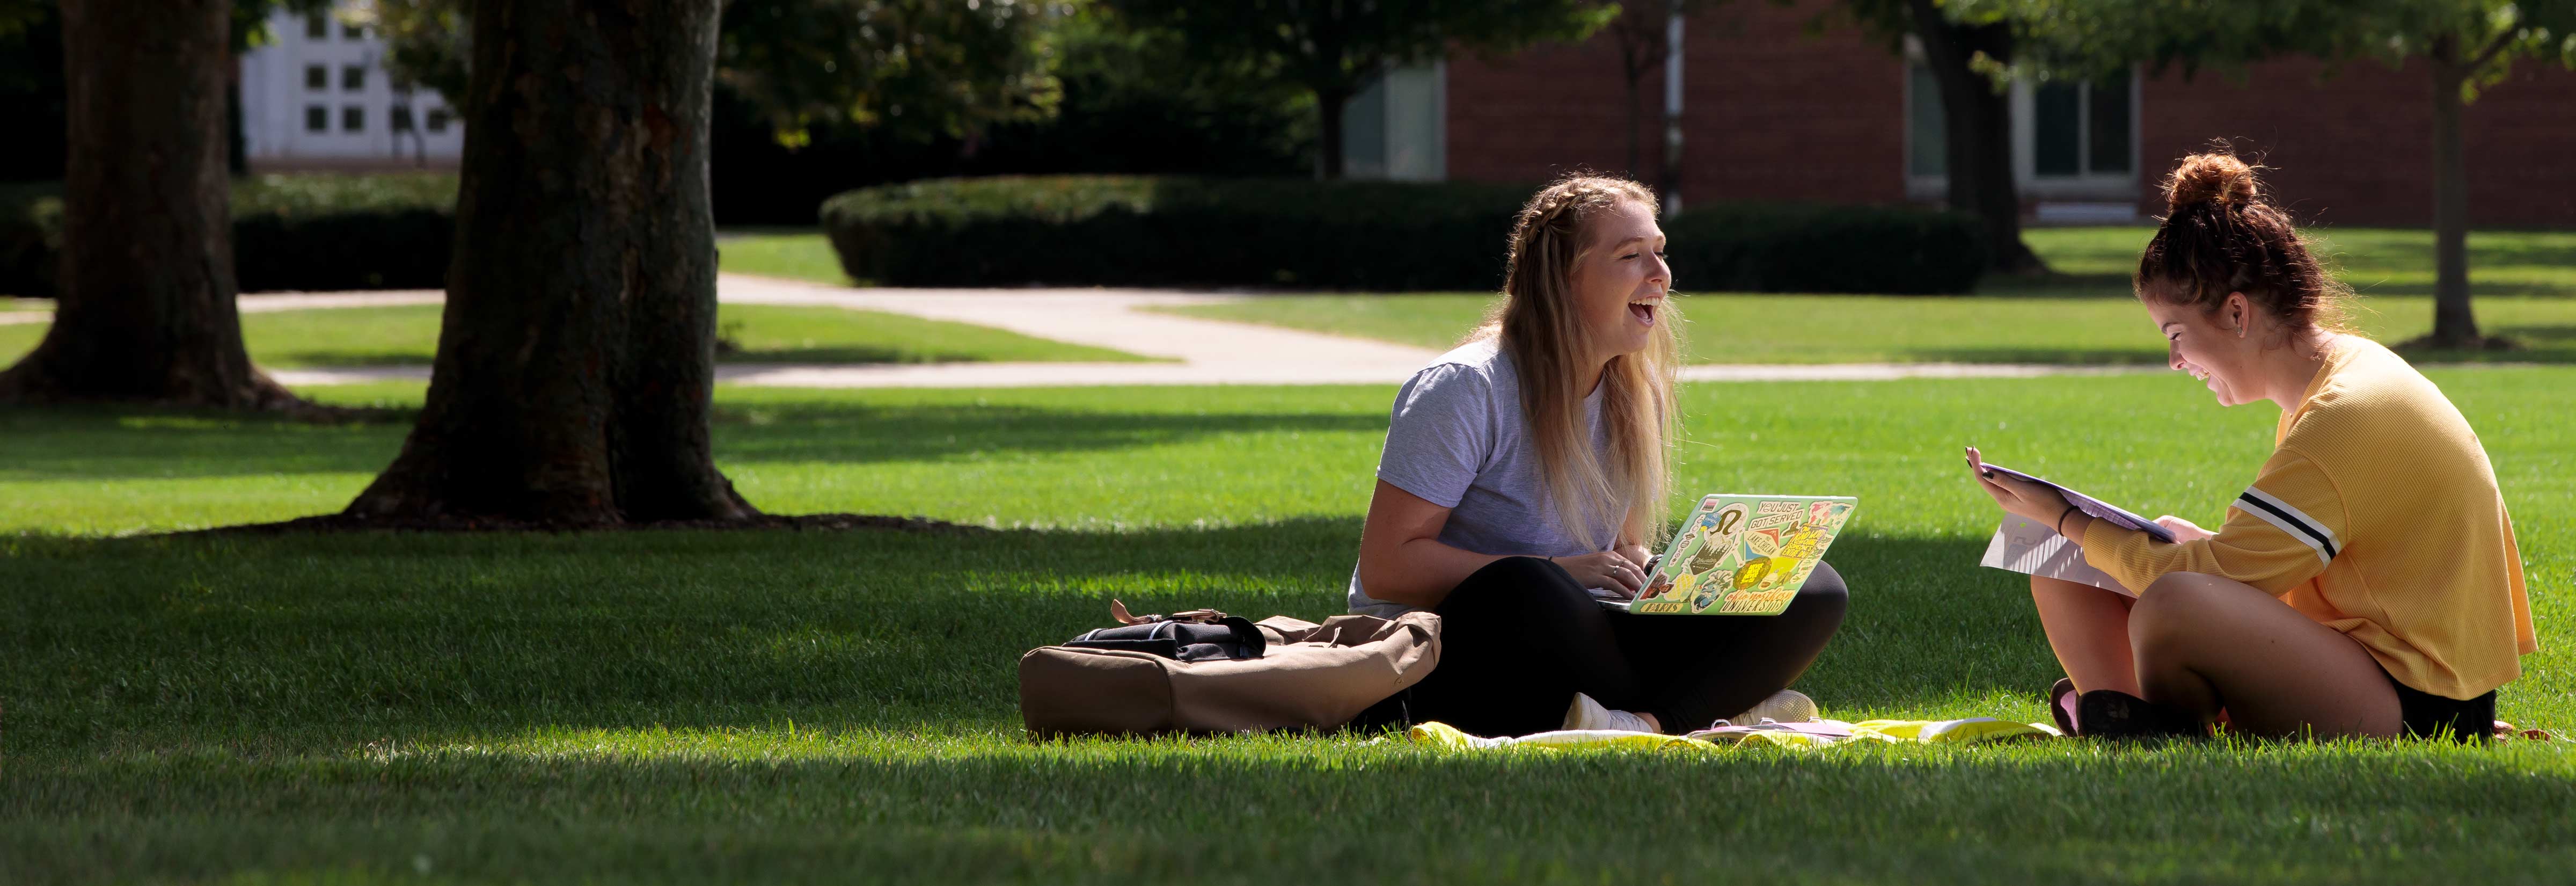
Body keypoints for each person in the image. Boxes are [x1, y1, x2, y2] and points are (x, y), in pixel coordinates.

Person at [1970, 152, 2535, 742]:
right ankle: (2129, 722)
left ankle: (2133, 719)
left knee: (2169, 599)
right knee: (2063, 560)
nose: (2175, 361)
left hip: (2418, 704)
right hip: (2367, 664)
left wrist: (2066, 517)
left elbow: (2209, 582)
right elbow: (2296, 573)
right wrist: (2073, 533)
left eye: (2177, 336)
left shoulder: (2344, 414)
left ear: (2237, 313)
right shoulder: (2336, 384)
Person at [1348, 175, 1847, 739]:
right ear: (1563, 278)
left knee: (1809, 585)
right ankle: (1716, 704)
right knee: (1529, 587)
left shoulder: (1637, 391)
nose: (1660, 276)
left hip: (1585, 637)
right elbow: (1388, 566)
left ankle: (1646, 723)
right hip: (1448, 656)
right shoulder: (1465, 387)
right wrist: (1560, 572)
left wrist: (1651, 573)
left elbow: (1623, 544)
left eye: (1659, 253)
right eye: (1632, 256)